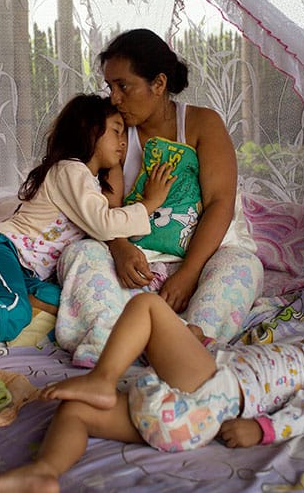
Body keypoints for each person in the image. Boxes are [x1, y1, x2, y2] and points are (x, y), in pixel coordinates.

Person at [0, 294, 304, 492]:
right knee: (74, 413)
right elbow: (235, 364)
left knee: (147, 306)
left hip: (214, 393)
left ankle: (101, 378)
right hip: (189, 423)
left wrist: (262, 430)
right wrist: (198, 344)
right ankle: (44, 473)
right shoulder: (300, 362)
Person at [56, 28, 265, 367]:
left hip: (202, 257)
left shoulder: (201, 123)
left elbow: (219, 202)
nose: (114, 99)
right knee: (80, 253)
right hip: (137, 264)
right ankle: (108, 344)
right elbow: (108, 205)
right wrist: (120, 247)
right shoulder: (117, 133)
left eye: (123, 86)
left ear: (158, 83)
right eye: (110, 87)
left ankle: (191, 342)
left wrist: (189, 274)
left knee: (243, 267)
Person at [0, 93, 175, 355]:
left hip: (24, 271)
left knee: (67, 303)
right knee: (15, 309)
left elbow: (106, 213)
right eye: (117, 132)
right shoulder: (70, 170)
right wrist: (151, 202)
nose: (123, 143)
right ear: (90, 131)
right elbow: (105, 224)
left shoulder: (89, 182)